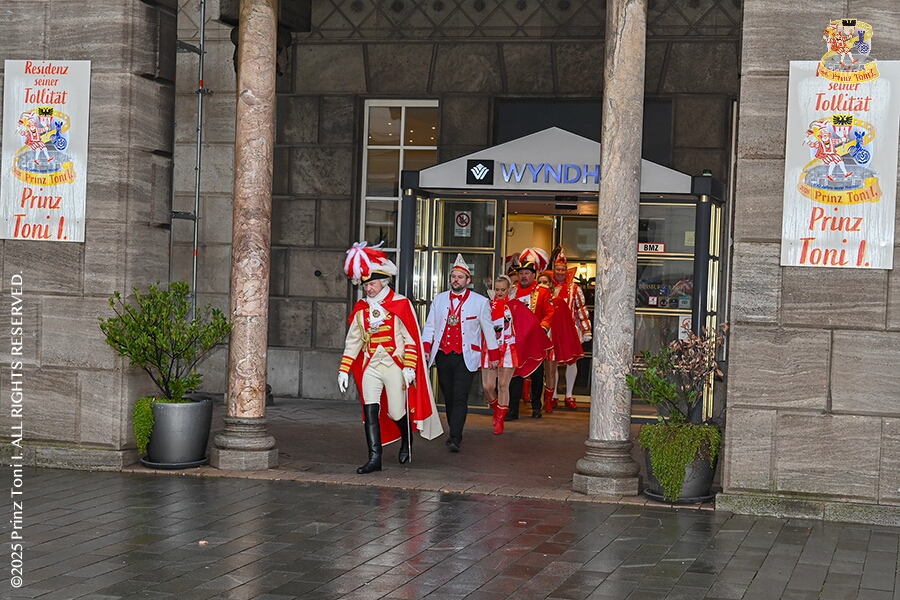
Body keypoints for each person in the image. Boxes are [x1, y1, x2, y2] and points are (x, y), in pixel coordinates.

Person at [338, 242, 442, 474]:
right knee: (370, 411)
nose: (369, 289)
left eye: (372, 284)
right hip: (371, 366)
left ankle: (406, 438)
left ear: (383, 282)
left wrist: (409, 367)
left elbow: (411, 340)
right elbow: (353, 342)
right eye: (366, 285)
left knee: (396, 411)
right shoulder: (362, 308)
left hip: (395, 365)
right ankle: (374, 458)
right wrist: (344, 369)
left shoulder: (401, 304)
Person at [421, 254, 499, 452]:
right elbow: (430, 326)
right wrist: (426, 348)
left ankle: (455, 437)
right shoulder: (439, 299)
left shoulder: (480, 302)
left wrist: (494, 356)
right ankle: (454, 430)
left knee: (460, 396)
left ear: (468, 280)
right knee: (448, 395)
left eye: (460, 277)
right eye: (453, 276)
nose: (456, 280)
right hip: (443, 354)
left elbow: (489, 330)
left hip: (466, 356)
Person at [481, 274, 551, 434]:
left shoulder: (516, 306)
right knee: (487, 386)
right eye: (497, 290)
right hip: (489, 348)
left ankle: (500, 420)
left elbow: (530, 323)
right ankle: (497, 409)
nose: (500, 293)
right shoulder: (487, 306)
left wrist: (521, 340)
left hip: (508, 349)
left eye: (503, 290)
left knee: (503, 385)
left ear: (509, 290)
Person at [507, 247, 554, 419]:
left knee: (536, 375)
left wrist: (542, 328)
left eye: (527, 273)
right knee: (515, 375)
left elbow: (550, 313)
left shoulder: (543, 292)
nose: (523, 276)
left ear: (534, 275)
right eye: (521, 273)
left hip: (534, 340)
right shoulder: (512, 292)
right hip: (517, 340)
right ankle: (513, 409)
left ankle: (536, 407)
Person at [544, 246, 593, 411]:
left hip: (570, 330)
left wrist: (586, 330)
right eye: (557, 269)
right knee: (553, 363)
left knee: (572, 362)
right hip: (552, 331)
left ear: (567, 271)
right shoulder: (546, 288)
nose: (560, 272)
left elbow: (581, 309)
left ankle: (569, 395)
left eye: (562, 269)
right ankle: (554, 395)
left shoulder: (575, 289)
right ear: (553, 270)